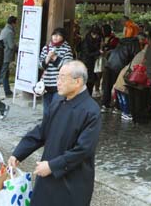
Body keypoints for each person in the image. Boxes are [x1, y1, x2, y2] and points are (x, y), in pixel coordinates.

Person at [9, 61, 102, 206]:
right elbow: (42, 131)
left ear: (77, 82)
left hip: (72, 180)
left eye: (62, 78)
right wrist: (18, 153)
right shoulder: (58, 100)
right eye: (58, 77)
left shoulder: (91, 111)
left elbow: (84, 149)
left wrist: (53, 166)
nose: (57, 82)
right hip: (47, 172)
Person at [103, 27, 140, 110]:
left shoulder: (122, 41)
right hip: (120, 65)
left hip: (110, 63)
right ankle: (118, 106)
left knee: (107, 86)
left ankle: (105, 104)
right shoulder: (135, 43)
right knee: (120, 87)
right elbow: (136, 57)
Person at [38, 27, 74, 112]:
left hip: (60, 85)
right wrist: (47, 59)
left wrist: (54, 58)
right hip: (46, 85)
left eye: (58, 35)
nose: (55, 37)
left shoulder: (67, 49)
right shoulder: (46, 48)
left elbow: (67, 68)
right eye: (54, 35)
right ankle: (47, 125)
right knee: (46, 111)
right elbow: (40, 66)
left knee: (56, 110)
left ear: (63, 37)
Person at [98, 24, 120, 104]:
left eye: (103, 30)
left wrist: (107, 50)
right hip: (102, 59)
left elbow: (115, 48)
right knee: (100, 76)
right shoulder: (101, 37)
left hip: (110, 61)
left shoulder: (114, 39)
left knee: (107, 80)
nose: (102, 31)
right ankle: (102, 94)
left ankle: (106, 98)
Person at [79, 25, 102, 95]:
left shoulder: (93, 40)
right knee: (87, 81)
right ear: (93, 34)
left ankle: (88, 96)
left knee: (91, 81)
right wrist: (98, 52)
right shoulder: (86, 42)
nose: (98, 37)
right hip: (87, 63)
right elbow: (87, 54)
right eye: (97, 35)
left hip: (91, 63)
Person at [0, 15, 17, 97]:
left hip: (2, 54)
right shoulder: (9, 32)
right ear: (13, 23)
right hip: (6, 55)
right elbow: (11, 45)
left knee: (5, 74)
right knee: (2, 75)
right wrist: (18, 47)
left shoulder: (4, 30)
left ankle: (8, 91)